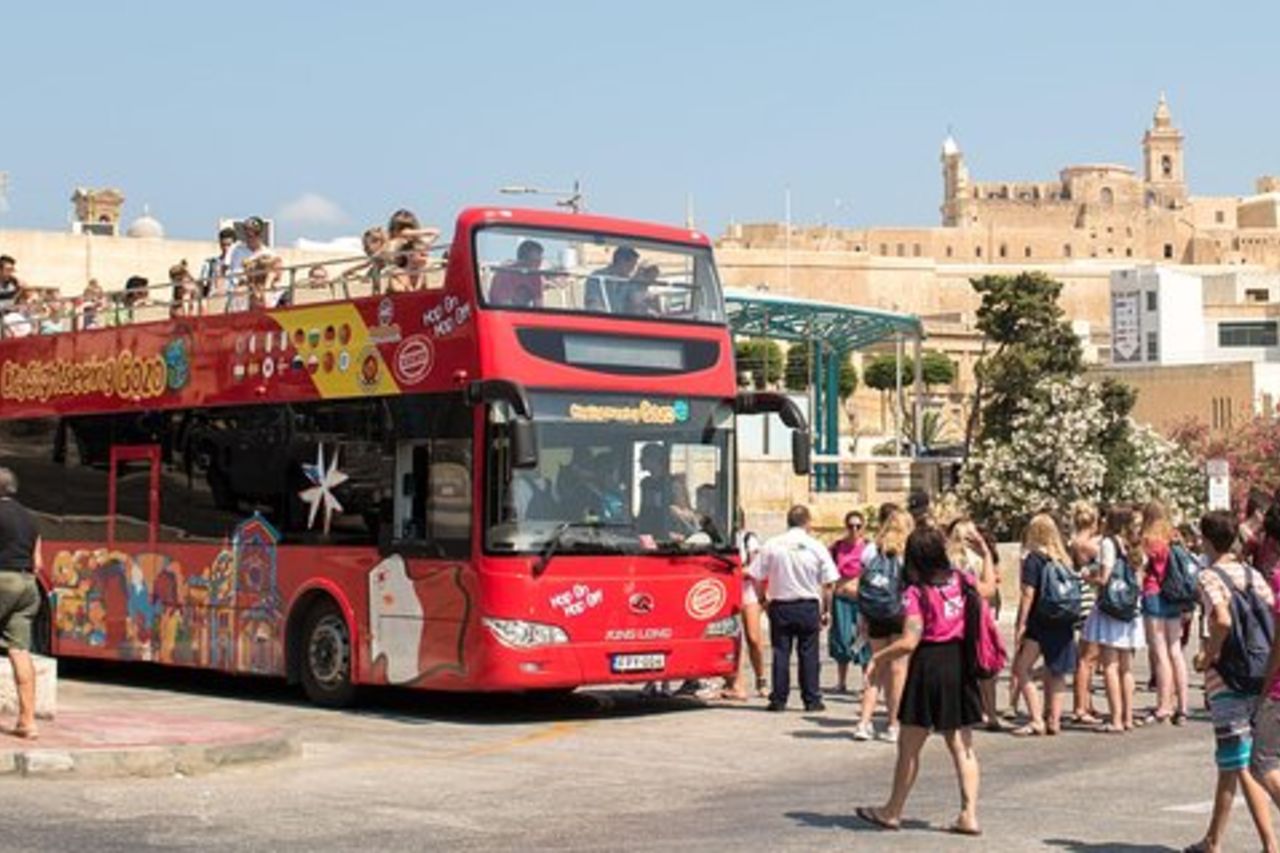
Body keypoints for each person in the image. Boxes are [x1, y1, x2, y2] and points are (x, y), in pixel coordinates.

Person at [856, 525, 983, 836]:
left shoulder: (916, 593)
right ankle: (969, 814)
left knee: (910, 746)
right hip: (958, 664)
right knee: (962, 745)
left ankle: (892, 810)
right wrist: (983, 550)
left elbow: (910, 641)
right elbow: (988, 589)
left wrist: (878, 658)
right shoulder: (961, 581)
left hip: (928, 666)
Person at [1187, 510, 1278, 853]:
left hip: (1228, 677)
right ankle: (1212, 840)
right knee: (1230, 762)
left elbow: (1222, 620)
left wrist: (1206, 655)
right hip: (1258, 669)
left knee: (1243, 762)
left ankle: (1271, 844)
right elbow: (1271, 613)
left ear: (1207, 540)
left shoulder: (1209, 577)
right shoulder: (1253, 574)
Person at [746, 504, 838, 712]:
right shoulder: (816, 546)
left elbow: (757, 576)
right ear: (807, 523)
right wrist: (826, 610)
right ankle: (811, 698)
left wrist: (763, 600)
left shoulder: (772, 544)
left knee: (781, 652)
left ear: (788, 521)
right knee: (809, 653)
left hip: (781, 604)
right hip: (807, 604)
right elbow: (829, 583)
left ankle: (778, 699)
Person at [1010, 513, 1079, 736]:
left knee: (1022, 668)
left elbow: (1028, 594)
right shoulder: (1064, 559)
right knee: (1057, 671)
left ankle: (1037, 718)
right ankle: (1055, 720)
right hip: (1063, 620)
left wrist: (1021, 623)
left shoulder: (1034, 559)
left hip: (1040, 622)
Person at [1080, 505, 1146, 733]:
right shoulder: (1135, 545)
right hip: (1130, 608)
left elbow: (1105, 577)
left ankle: (1116, 718)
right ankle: (1127, 716)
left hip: (1111, 608)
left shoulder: (1109, 544)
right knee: (1126, 667)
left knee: (1110, 665)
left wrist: (1088, 575)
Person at [853, 505, 913, 742]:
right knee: (898, 669)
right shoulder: (908, 552)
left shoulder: (871, 550)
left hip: (875, 614)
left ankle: (863, 723)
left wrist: (863, 618)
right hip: (900, 613)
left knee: (876, 666)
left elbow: (863, 583)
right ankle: (893, 724)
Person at [0, 468, 43, 739]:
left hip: (2, 579)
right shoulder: (31, 518)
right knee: (19, 651)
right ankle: (28, 722)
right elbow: (38, 562)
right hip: (28, 585)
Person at [1141, 501, 1191, 726]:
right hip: (1175, 595)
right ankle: (1183, 705)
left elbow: (1142, 567)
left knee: (1160, 652)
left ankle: (1164, 705)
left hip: (1155, 594)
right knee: (1176, 651)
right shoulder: (1174, 536)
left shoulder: (1149, 539)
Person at [948, 518, 1001, 729]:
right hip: (979, 614)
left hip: (955, 616)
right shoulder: (978, 559)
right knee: (985, 664)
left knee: (959, 665)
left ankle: (961, 711)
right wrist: (986, 553)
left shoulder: (948, 559)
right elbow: (989, 589)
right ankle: (992, 713)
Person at [722, 509, 767, 701]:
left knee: (753, 637)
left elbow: (757, 567)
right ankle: (736, 683)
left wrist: (738, 572)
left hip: (747, 592)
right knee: (732, 638)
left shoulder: (749, 539)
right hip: (727, 592)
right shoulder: (721, 538)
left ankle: (761, 678)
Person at [1069, 502, 1104, 725]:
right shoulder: (1089, 545)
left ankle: (1086, 703)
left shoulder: (1072, 542)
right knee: (1088, 657)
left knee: (1087, 655)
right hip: (1089, 599)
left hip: (1081, 598)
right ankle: (1081, 706)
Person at [829, 510, 868, 693]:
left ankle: (866, 682)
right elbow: (828, 575)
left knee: (863, 639)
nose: (854, 530)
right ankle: (841, 681)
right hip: (841, 599)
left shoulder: (869, 548)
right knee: (842, 638)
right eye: (851, 526)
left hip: (861, 599)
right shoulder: (837, 547)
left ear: (863, 527)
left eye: (858, 526)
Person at [489, 240, 551, 308]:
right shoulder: (505, 274)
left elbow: (539, 305)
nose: (539, 264)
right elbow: (504, 305)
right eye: (535, 261)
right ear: (523, 259)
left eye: (540, 260)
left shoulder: (535, 276)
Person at [584, 246, 640, 312]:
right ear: (620, 261)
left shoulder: (629, 282)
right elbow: (593, 302)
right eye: (630, 266)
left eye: (634, 266)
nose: (632, 269)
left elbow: (636, 302)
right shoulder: (597, 277)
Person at [199, 226, 237, 298]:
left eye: (229, 245)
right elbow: (202, 286)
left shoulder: (239, 264)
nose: (226, 248)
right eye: (223, 245)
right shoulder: (210, 264)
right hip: (215, 300)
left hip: (234, 301)